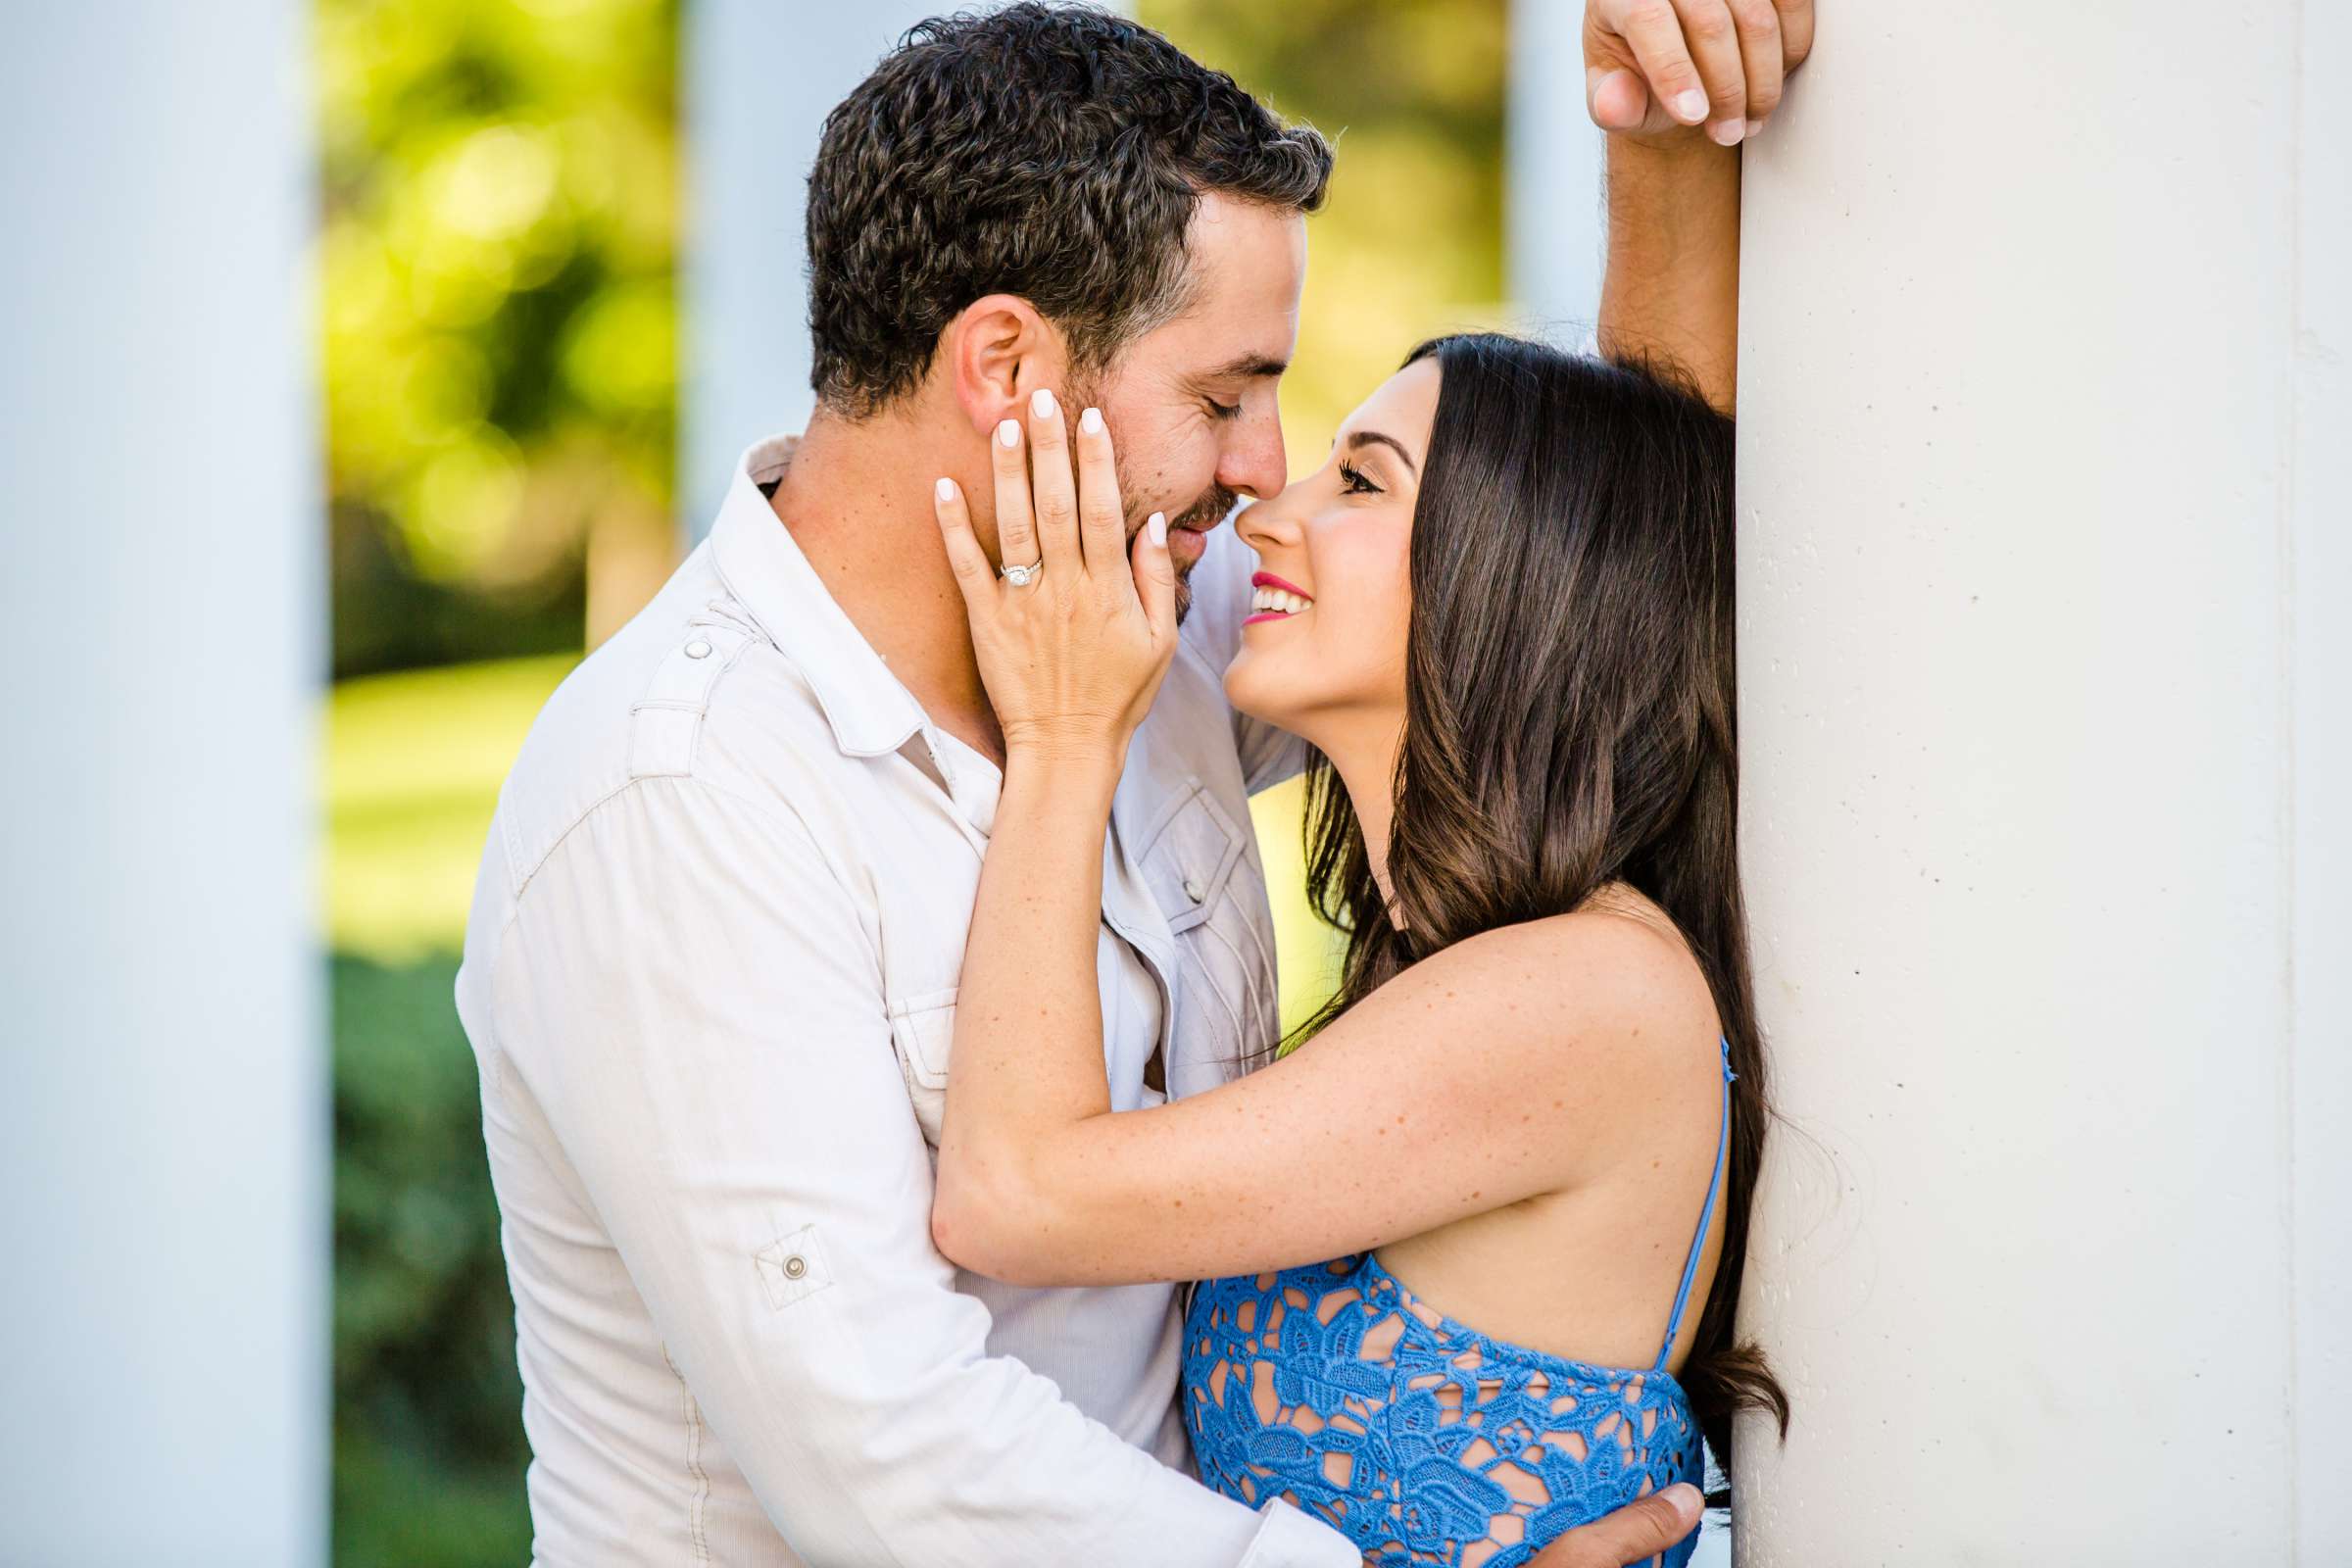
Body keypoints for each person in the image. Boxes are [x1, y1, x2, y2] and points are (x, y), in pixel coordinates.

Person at [452, 2, 1806, 1562]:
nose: (1259, 475)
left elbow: (1585, 575)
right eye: (1224, 398)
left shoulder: (1143, 612)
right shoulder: (679, 797)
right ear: (1006, 363)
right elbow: (893, 1452)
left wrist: (1660, 131)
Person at [929, 329, 1780, 1567]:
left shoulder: (1588, 992)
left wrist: (1062, 736)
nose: (1270, 514)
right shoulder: (1475, 970)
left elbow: (1013, 1196)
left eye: (1362, 481)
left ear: (1530, 574)